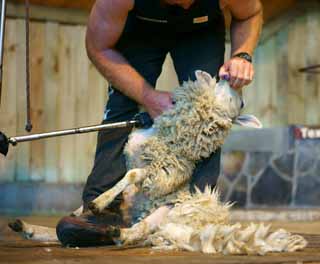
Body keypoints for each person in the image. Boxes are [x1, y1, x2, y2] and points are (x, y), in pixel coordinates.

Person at [56, 0, 263, 247]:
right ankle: (102, 210)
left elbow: (251, 14)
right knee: (123, 106)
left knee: (208, 115)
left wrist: (242, 54)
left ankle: (192, 214)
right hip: (141, 29)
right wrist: (148, 97)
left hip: (201, 29)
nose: (185, 4)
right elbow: (98, 48)